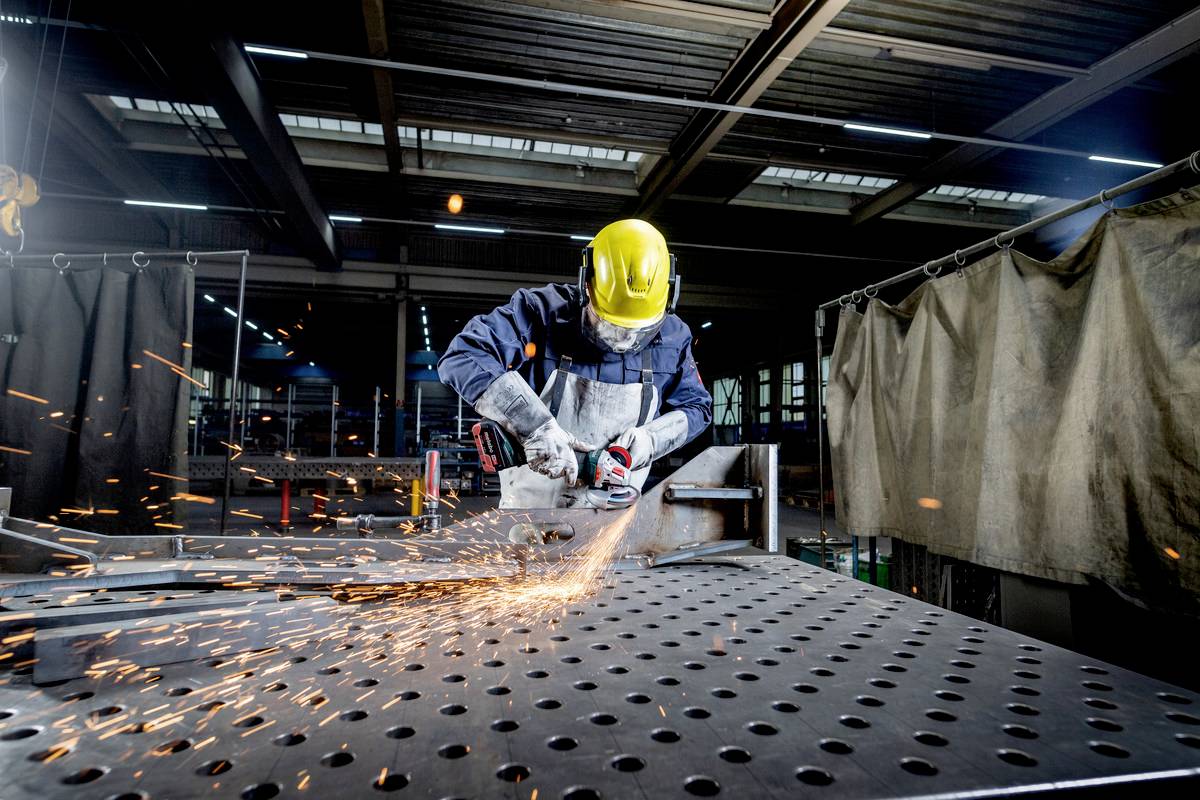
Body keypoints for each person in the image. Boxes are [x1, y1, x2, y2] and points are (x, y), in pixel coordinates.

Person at [438, 218, 712, 508]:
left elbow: (697, 407)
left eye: (638, 332)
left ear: (670, 295)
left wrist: (650, 441)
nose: (623, 341)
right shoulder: (541, 312)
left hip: (615, 520)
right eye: (610, 325)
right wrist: (534, 427)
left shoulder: (672, 337)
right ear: (587, 285)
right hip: (530, 514)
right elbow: (463, 356)